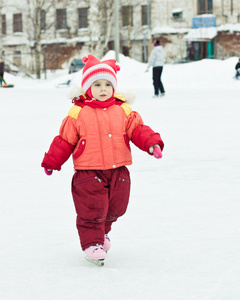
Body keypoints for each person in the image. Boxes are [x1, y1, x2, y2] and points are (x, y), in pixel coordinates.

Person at [41, 54, 164, 264]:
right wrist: (53, 161)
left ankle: (102, 233)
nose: (103, 89)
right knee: (91, 209)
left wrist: (152, 144)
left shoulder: (123, 110)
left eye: (108, 84)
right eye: (97, 84)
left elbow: (138, 130)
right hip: (88, 172)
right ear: (88, 88)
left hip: (119, 170)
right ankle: (92, 243)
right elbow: (65, 140)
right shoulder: (78, 113)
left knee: (117, 207)